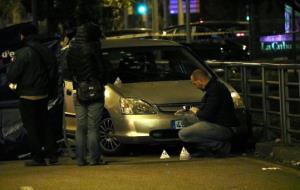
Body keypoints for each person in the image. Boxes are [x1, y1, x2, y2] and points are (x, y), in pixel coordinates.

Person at [6, 24, 58, 166]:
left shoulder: (22, 53)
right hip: (44, 94)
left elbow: (12, 75)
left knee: (31, 127)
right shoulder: (46, 50)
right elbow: (54, 70)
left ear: (23, 35)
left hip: (27, 95)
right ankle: (52, 154)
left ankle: (38, 157)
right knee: (45, 124)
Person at [66, 22, 106, 166]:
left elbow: (68, 70)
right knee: (93, 127)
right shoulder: (94, 47)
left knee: (80, 127)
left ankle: (80, 159)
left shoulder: (72, 49)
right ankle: (94, 158)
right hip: (95, 89)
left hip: (80, 90)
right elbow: (102, 68)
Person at [178, 69, 239, 157]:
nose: (195, 86)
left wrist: (196, 111)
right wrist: (187, 109)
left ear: (200, 81)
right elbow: (203, 107)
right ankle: (204, 148)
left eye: (195, 83)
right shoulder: (212, 88)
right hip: (215, 123)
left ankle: (220, 146)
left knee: (183, 134)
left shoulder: (215, 90)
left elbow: (206, 114)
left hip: (223, 127)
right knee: (185, 119)